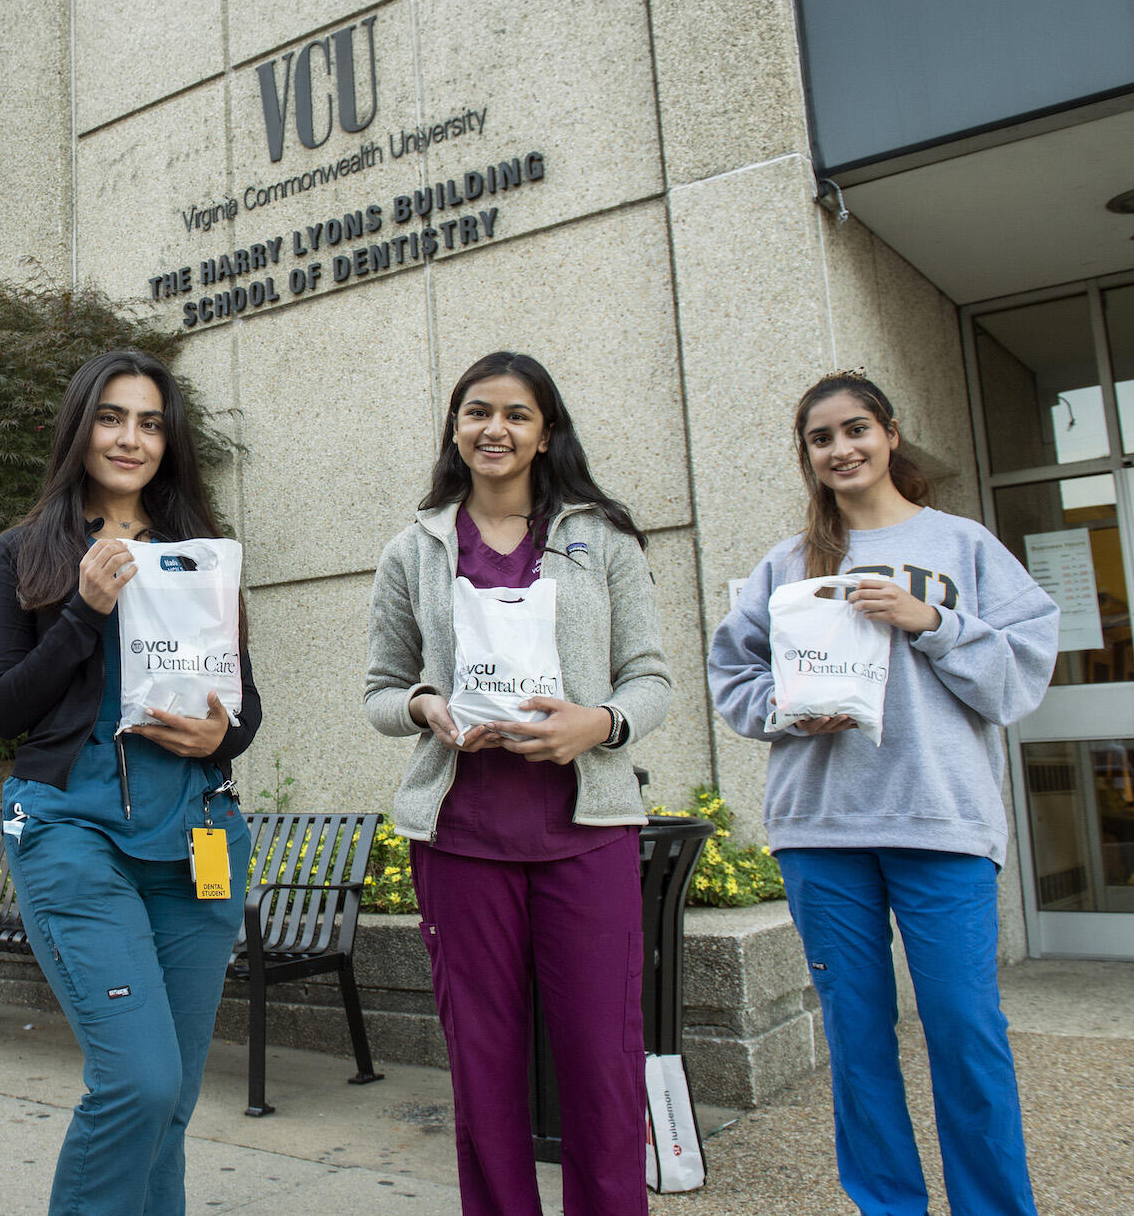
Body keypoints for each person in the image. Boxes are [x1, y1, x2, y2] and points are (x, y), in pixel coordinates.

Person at [707, 370, 1056, 1216]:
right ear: (808, 455)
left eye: (855, 429)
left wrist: (933, 622)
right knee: (858, 1043)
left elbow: (1022, 675)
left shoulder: (961, 544)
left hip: (942, 822)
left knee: (966, 1035)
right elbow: (733, 678)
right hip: (822, 831)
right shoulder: (787, 564)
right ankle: (889, 1206)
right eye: (821, 438)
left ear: (890, 434)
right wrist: (791, 712)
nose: (840, 449)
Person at [364, 351, 670, 1216]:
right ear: (455, 428)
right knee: (485, 1070)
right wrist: (425, 706)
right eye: (477, 411)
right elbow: (380, 688)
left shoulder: (599, 539)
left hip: (586, 834)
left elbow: (651, 678)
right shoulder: (412, 550)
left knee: (602, 1069)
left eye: (517, 414)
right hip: (462, 839)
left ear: (545, 434)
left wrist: (595, 723)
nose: (494, 428)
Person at [0, 348, 260, 1216]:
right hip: (72, 833)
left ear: (169, 439)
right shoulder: (21, 554)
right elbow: (3, 708)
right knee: (136, 1082)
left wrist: (225, 730)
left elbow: (242, 712)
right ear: (79, 428)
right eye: (111, 416)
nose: (130, 437)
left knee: (169, 1102)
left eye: (149, 420)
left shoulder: (201, 558)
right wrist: (84, 609)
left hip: (196, 840)